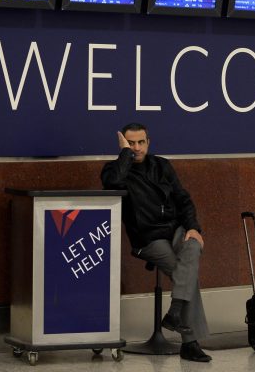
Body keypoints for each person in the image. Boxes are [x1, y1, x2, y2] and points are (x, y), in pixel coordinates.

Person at [101, 122, 211, 363]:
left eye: (141, 142)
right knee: (186, 275)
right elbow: (112, 184)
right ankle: (190, 343)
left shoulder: (162, 165)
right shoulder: (115, 169)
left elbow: (183, 199)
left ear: (148, 143)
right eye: (131, 143)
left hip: (174, 229)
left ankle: (174, 313)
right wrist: (125, 155)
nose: (137, 148)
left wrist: (193, 226)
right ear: (124, 145)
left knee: (193, 245)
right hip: (147, 238)